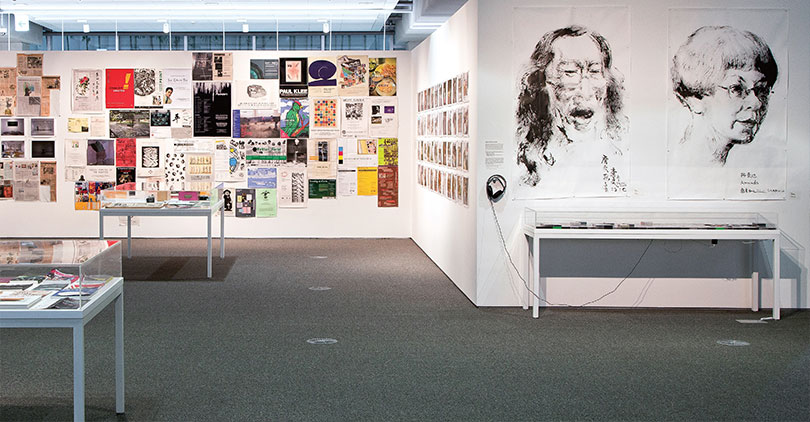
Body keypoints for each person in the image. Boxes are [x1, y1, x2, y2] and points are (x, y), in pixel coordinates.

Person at [516, 25, 628, 193]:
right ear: (541, 83)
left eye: (595, 71)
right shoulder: (530, 163)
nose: (585, 91)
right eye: (569, 72)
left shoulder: (619, 150)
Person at [670, 26, 778, 166]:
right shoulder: (680, 166)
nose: (757, 103)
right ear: (695, 99)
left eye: (761, 89)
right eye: (737, 89)